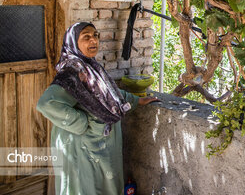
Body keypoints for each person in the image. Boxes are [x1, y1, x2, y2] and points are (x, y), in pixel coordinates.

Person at [37, 22, 158, 194]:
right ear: (73, 42)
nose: (93, 40)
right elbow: (47, 104)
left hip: (98, 144)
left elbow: (109, 94)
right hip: (81, 146)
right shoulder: (72, 72)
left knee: (101, 186)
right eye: (86, 37)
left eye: (95, 35)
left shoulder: (91, 68)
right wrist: (83, 123)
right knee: (85, 187)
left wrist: (136, 101)